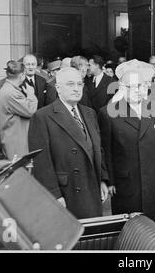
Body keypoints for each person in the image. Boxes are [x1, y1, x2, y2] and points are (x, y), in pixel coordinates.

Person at [28, 67, 109, 219]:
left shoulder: (89, 113)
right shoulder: (43, 117)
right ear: (58, 88)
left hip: (91, 187)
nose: (76, 88)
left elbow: (98, 149)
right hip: (66, 192)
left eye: (79, 84)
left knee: (92, 236)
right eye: (70, 84)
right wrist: (54, 194)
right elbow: (41, 162)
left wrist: (102, 179)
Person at [98, 59, 155, 216]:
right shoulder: (108, 113)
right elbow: (107, 151)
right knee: (130, 229)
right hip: (126, 182)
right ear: (121, 88)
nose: (136, 90)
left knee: (154, 224)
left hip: (154, 179)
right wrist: (109, 181)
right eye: (130, 87)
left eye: (140, 85)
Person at [0, 60, 38, 160]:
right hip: (16, 144)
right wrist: (31, 95)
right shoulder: (11, 92)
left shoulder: (9, 89)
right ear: (22, 75)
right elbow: (30, 111)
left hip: (15, 141)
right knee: (20, 172)